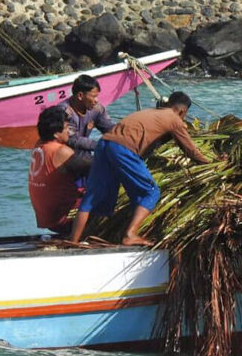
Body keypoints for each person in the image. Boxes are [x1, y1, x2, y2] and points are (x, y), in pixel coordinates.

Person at [69, 91, 211, 246]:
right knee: (151, 192)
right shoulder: (174, 120)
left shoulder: (152, 112)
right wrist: (210, 162)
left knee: (92, 196)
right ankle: (130, 235)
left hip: (104, 143)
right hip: (122, 148)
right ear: (182, 111)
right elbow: (190, 150)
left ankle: (73, 242)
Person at [28, 107, 90, 235]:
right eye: (66, 127)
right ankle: (77, 239)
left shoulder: (39, 146)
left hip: (46, 218)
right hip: (63, 218)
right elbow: (96, 167)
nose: (69, 131)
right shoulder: (61, 151)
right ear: (56, 133)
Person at [59, 74, 114, 158]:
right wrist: (101, 146)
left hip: (85, 155)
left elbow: (110, 129)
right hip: (64, 157)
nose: (96, 100)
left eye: (97, 96)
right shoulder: (63, 111)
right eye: (93, 96)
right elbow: (73, 140)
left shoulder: (97, 109)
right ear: (80, 96)